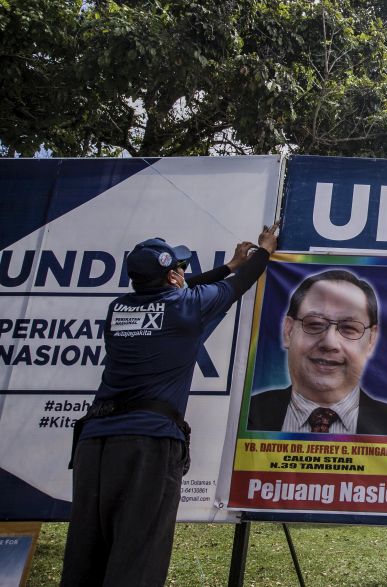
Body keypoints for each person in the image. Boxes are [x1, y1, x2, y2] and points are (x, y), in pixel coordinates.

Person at [60, 225, 278, 587]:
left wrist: (227, 266)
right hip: (148, 444)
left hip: (94, 444)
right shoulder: (186, 305)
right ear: (173, 275)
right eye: (179, 268)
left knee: (86, 553)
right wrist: (264, 253)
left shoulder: (118, 310)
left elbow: (177, 292)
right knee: (138, 555)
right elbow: (237, 288)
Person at [246, 268, 387, 435]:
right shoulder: (246, 414)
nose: (330, 342)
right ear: (288, 331)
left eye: (349, 328)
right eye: (314, 324)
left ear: (371, 341)